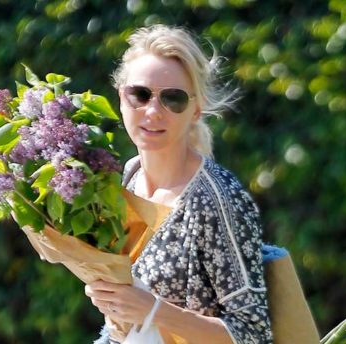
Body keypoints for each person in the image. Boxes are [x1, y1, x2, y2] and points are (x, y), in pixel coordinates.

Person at [84, 25, 273, 343]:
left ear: (196, 109)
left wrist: (154, 311)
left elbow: (253, 335)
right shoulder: (128, 176)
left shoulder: (217, 199)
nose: (153, 111)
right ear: (121, 98)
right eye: (140, 95)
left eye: (173, 99)